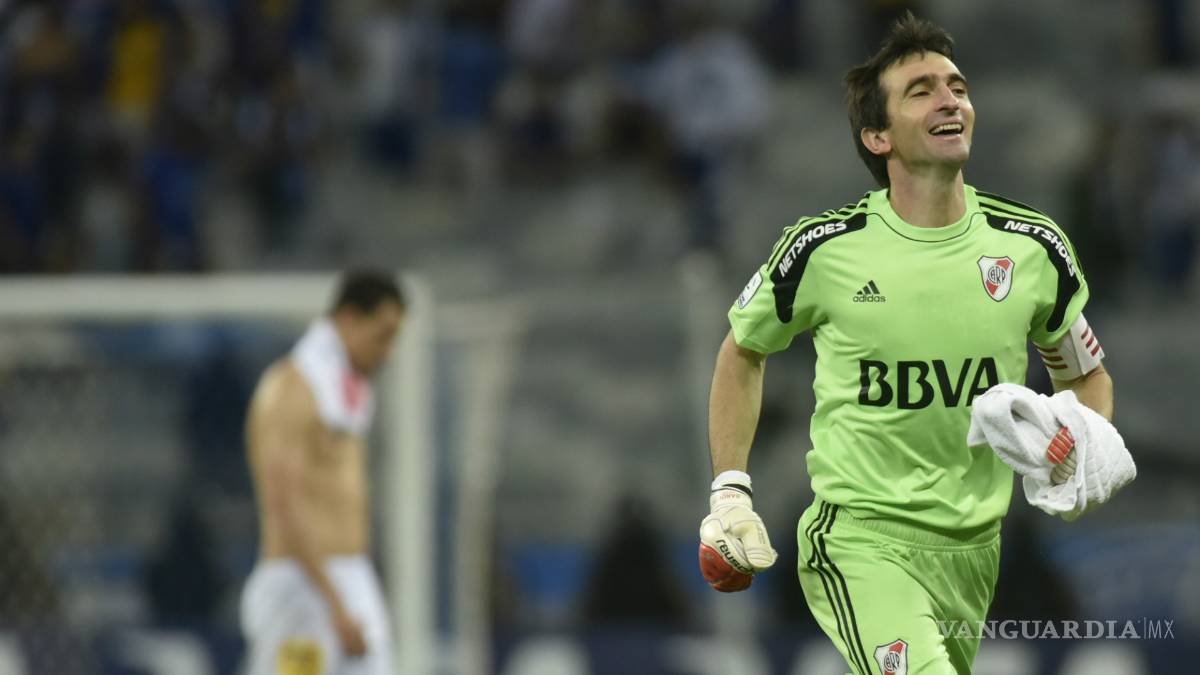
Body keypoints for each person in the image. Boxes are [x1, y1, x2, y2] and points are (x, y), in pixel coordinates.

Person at [696, 13, 1114, 675]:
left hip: (974, 549)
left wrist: (1083, 443)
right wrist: (730, 492)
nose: (950, 100)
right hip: (860, 539)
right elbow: (742, 349)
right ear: (878, 135)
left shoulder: (1032, 247)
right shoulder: (823, 249)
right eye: (922, 91)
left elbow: (1084, 373)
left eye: (958, 87)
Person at [240, 270, 405, 675]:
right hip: (302, 586)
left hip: (351, 578)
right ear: (349, 318)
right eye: (382, 335)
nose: (388, 352)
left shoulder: (346, 392)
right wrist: (334, 602)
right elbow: (283, 504)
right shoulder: (290, 389)